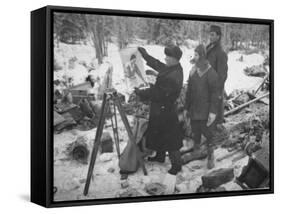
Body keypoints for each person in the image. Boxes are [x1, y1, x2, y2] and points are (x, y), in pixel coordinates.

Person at [135, 46, 184, 175]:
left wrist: (141, 92)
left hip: (166, 109)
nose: (165, 58)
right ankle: (160, 156)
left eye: (168, 57)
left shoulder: (174, 75)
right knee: (159, 132)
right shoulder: (172, 68)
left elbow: (158, 93)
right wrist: (145, 55)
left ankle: (177, 165)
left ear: (175, 59)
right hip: (160, 108)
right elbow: (158, 64)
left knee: (171, 138)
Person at [185, 44, 219, 169]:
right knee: (195, 130)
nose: (194, 57)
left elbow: (216, 95)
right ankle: (197, 149)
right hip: (194, 108)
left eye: (197, 55)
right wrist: (186, 107)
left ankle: (210, 155)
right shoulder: (193, 70)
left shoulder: (211, 73)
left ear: (203, 56)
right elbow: (189, 90)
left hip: (206, 110)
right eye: (194, 54)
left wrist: (213, 112)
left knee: (209, 134)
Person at [206, 25, 228, 130]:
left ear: (218, 36)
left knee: (214, 112)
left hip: (214, 88)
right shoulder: (209, 48)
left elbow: (222, 75)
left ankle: (216, 130)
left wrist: (217, 90)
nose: (210, 37)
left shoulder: (220, 53)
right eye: (209, 34)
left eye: (212, 34)